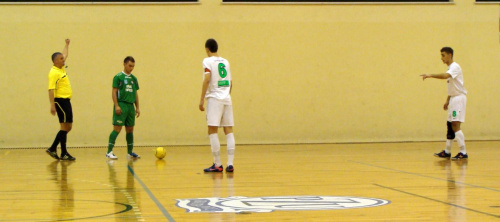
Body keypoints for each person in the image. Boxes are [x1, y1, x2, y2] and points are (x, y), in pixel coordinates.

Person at [421, 47, 468, 160]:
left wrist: (430, 75)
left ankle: (463, 152)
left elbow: (444, 76)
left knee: (455, 124)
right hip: (453, 98)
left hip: (458, 99)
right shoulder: (450, 69)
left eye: (443, 55)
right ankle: (447, 151)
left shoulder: (454, 67)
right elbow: (453, 87)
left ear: (450, 55)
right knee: (450, 125)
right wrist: (447, 100)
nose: (441, 58)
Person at [199, 38, 236, 172]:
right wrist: (226, 95)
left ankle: (217, 164)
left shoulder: (207, 61)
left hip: (214, 99)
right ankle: (230, 164)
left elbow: (207, 79)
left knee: (212, 130)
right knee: (228, 130)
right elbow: (230, 82)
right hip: (227, 98)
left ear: (207, 49)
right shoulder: (226, 62)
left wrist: (202, 99)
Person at [105, 56, 141, 160]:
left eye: (133, 66)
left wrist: (137, 107)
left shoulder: (134, 79)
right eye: (130, 66)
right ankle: (109, 151)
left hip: (130, 106)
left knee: (130, 129)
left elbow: (135, 93)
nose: (131, 68)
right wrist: (116, 105)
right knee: (117, 128)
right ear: (124, 64)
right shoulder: (118, 77)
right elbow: (114, 92)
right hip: (121, 104)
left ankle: (130, 152)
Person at [46, 39, 76, 161]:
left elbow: (65, 54)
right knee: (65, 127)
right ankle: (57, 150)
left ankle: (58, 150)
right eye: (61, 59)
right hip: (60, 101)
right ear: (55, 61)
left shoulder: (60, 69)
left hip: (66, 101)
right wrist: (52, 105)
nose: (64, 60)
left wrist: (67, 45)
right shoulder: (53, 73)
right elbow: (50, 90)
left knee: (68, 127)